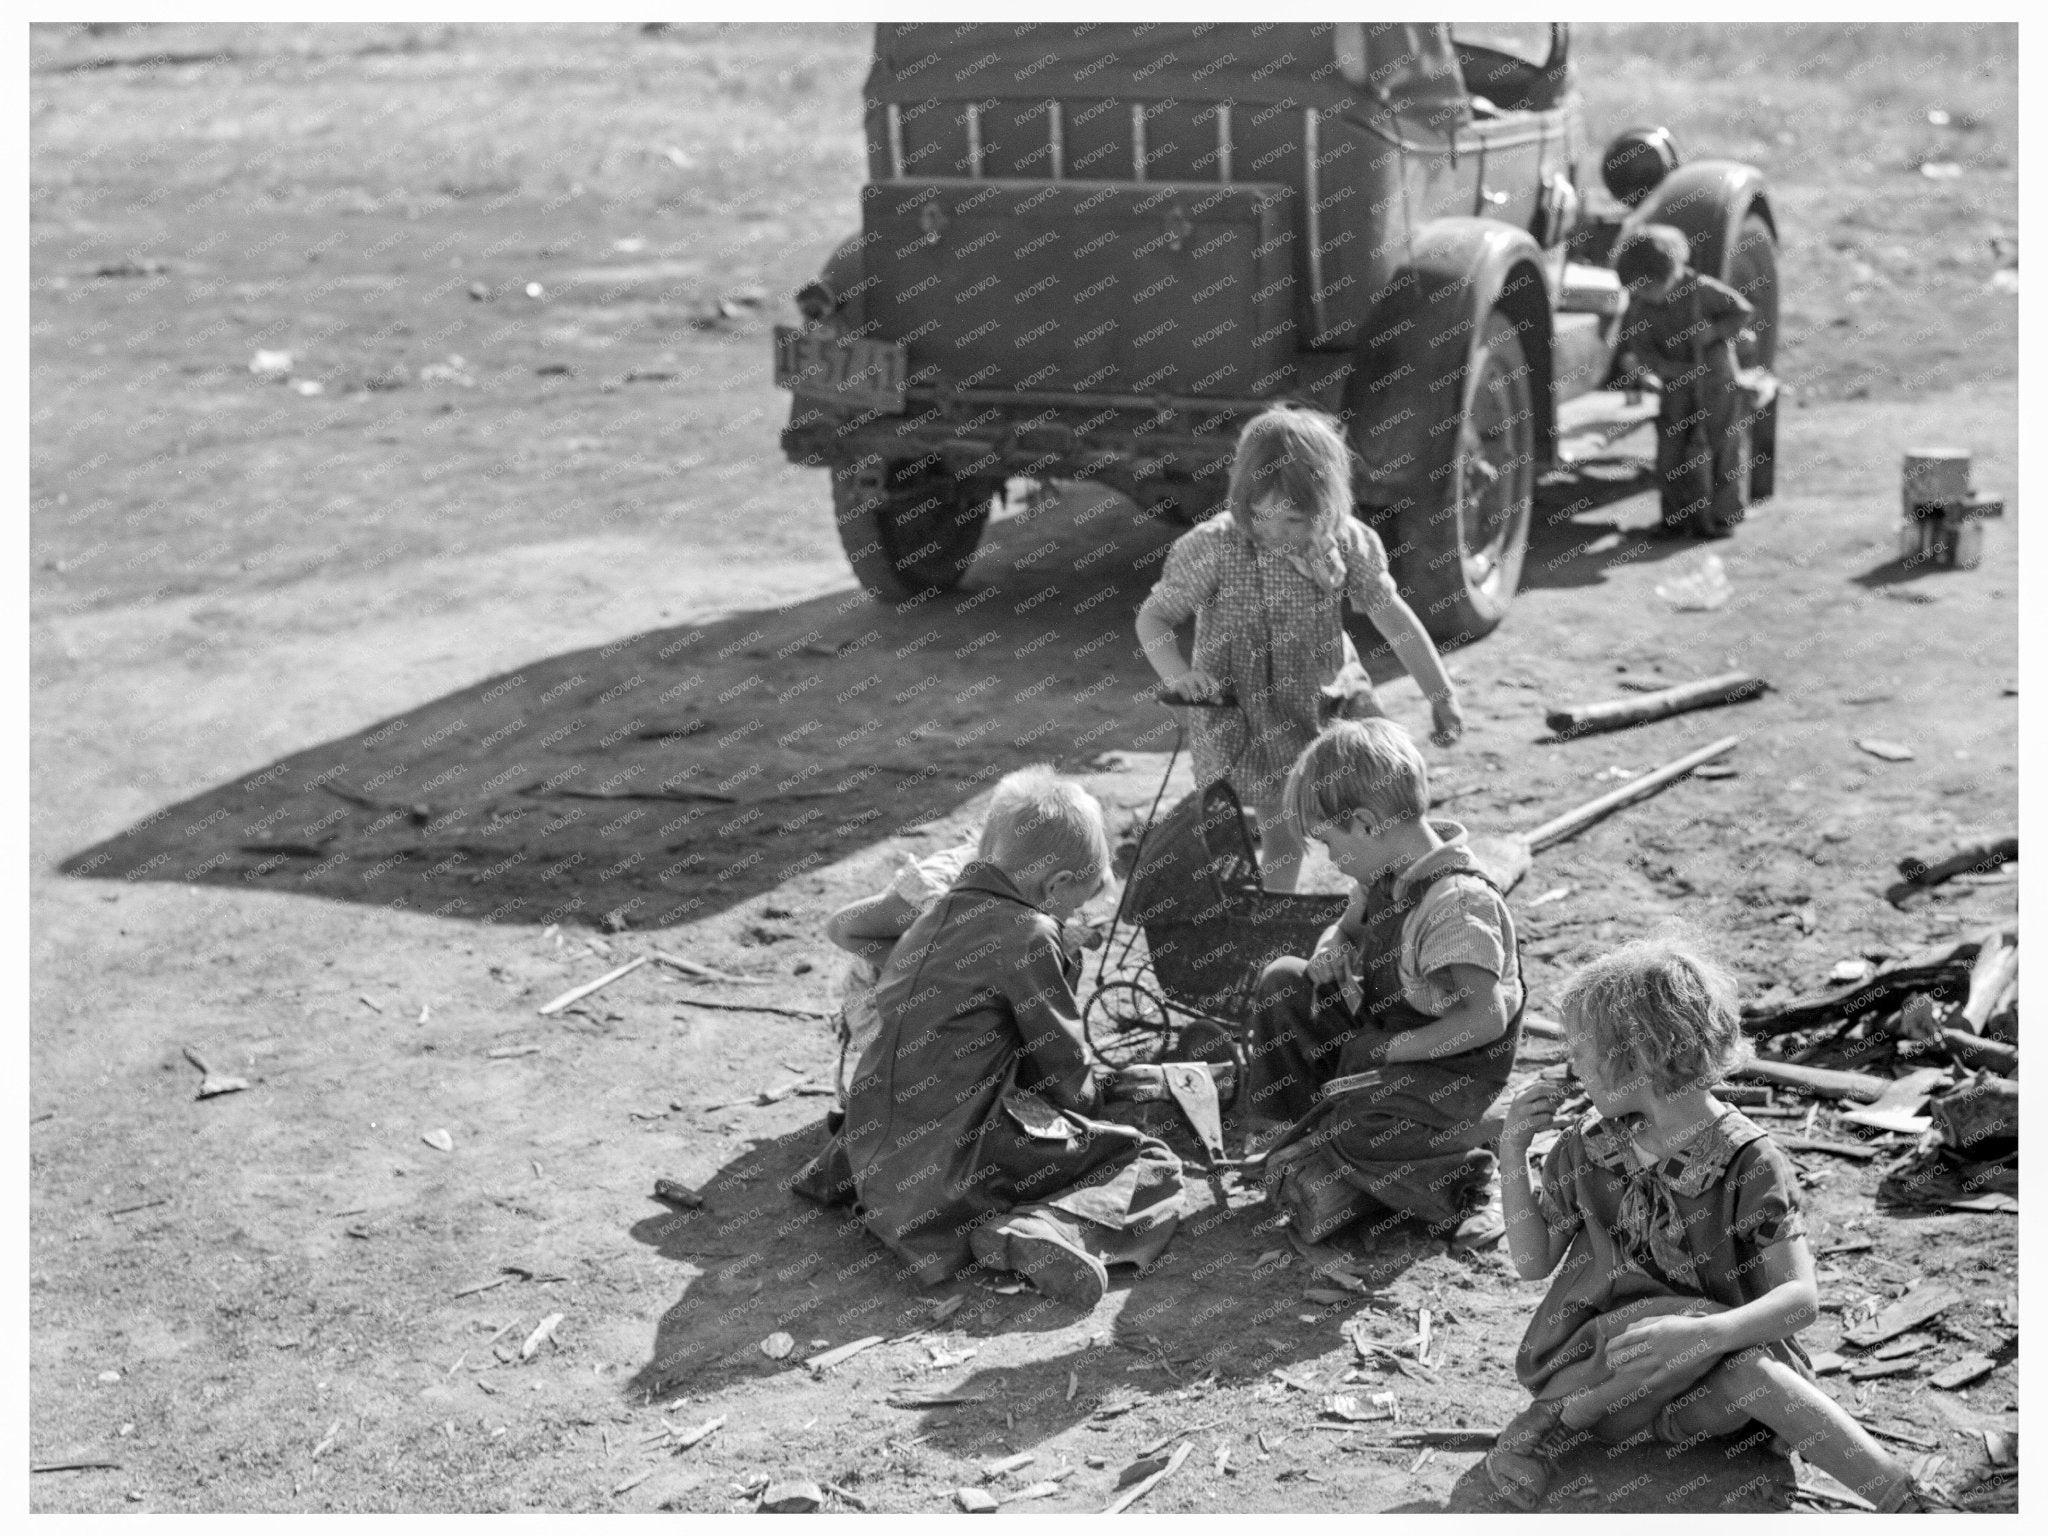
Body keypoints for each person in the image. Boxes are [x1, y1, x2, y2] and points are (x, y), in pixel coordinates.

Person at [1486, 939, 1945, 1512]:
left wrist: (1704, 1336)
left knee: (1737, 1358)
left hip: (1708, 1403)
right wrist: (1512, 1153)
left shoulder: (1749, 1162)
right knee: (1683, 1322)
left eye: (1580, 1048)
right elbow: (1533, 1263)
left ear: (1640, 1056)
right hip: (1600, 1386)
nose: (1570, 1063)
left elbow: (1800, 1300)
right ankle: (1551, 1426)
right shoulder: (1589, 1147)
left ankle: (1911, 1506)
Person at [791, 767, 1184, 1308]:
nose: (1076, 916)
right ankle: (1039, 1230)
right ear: (1054, 886)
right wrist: (1110, 1109)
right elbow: (1064, 1076)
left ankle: (999, 1219)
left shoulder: (932, 917)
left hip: (871, 1156)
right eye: (1078, 902)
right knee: (1148, 1161)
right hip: (950, 1177)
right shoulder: (1030, 931)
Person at [1134, 406, 1465, 893]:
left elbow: (1394, 619)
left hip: (1326, 698)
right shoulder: (1214, 547)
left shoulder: (1346, 543)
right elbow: (1153, 618)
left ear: (1328, 505)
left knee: (1376, 787)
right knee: (1281, 824)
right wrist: (1178, 676)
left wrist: (1440, 694)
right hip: (1250, 710)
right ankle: (1277, 912)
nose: (1275, 530)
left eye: (1292, 518)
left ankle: (1398, 887)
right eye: (1260, 514)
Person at [1246, 719, 1521, 1252]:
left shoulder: (1457, 906)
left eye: (1328, 842)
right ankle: (1291, 1138)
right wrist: (1329, 952)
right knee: (1285, 979)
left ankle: (1463, 1173)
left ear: (1368, 824)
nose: (1328, 858)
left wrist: (1392, 1051)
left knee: (1362, 1129)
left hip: (1450, 1071)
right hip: (1381, 1043)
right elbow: (1343, 930)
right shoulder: (1382, 875)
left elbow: (1484, 1020)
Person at [1613, 223, 1757, 538]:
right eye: (1638, 291)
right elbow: (1640, 347)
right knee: (1671, 452)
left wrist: (1714, 332)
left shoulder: (1702, 291)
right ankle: (1676, 519)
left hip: (1716, 381)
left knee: (1722, 446)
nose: (1644, 296)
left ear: (1672, 273)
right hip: (1676, 385)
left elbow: (1742, 313)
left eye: (1649, 288)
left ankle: (1722, 515)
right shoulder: (1641, 308)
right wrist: (1662, 368)